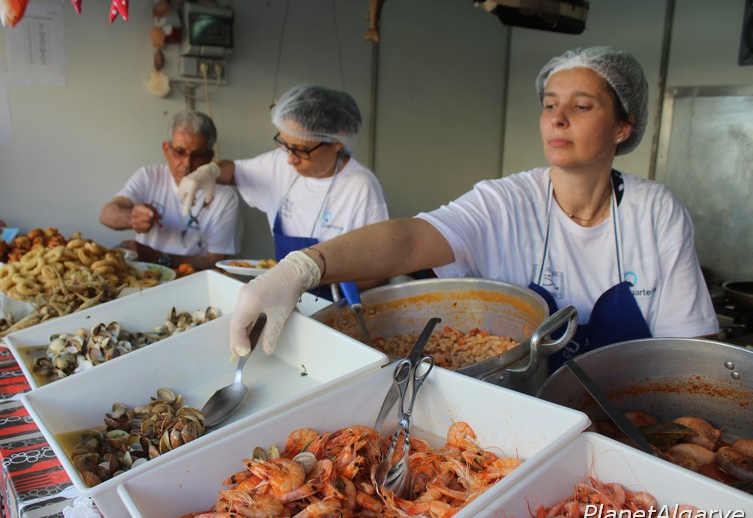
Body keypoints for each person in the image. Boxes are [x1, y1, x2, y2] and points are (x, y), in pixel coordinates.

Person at [223, 46, 719, 368]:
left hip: (623, 418)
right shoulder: (507, 201)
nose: (557, 118)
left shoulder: (655, 213)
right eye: (549, 104)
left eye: (581, 106)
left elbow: (692, 354)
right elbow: (410, 240)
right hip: (520, 407)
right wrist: (304, 268)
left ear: (623, 127)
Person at [177, 84, 389, 294]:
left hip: (334, 303)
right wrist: (209, 171)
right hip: (286, 297)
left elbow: (379, 274)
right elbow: (232, 170)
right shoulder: (278, 163)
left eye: (301, 150)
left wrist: (316, 277)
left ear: (337, 141)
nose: (290, 159)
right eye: (286, 145)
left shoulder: (360, 187)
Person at [99, 110, 242, 270]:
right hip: (144, 276)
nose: (187, 163)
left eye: (197, 155)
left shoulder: (225, 197)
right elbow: (106, 215)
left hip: (192, 277)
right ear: (166, 150)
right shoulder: (149, 176)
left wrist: (158, 257)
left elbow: (215, 260)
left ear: (209, 157)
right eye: (179, 152)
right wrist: (132, 218)